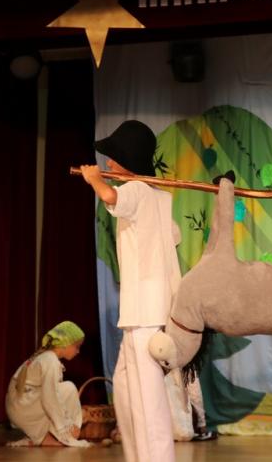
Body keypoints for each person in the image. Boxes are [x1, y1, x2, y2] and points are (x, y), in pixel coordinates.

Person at [80, 119, 180, 462]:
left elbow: (110, 196)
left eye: (114, 157)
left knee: (147, 399)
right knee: (125, 390)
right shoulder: (160, 197)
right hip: (144, 310)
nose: (108, 163)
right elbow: (174, 235)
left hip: (146, 311)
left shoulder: (137, 190)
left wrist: (94, 179)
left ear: (129, 159)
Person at [5, 321, 90, 448]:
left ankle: (40, 437)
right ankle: (67, 433)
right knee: (69, 389)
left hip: (20, 406)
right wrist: (63, 427)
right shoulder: (50, 360)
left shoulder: (45, 357)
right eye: (77, 346)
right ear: (65, 343)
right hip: (23, 407)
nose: (78, 351)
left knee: (62, 390)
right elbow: (49, 397)